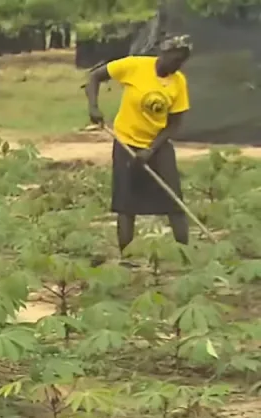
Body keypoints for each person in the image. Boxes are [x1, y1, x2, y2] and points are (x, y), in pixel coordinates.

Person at [86, 35, 193, 261]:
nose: (176, 66)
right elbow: (95, 76)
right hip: (126, 141)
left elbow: (174, 123)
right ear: (163, 53)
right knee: (126, 203)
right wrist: (94, 107)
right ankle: (127, 258)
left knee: (174, 200)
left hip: (157, 144)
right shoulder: (135, 65)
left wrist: (151, 150)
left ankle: (185, 256)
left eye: (181, 62)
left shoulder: (178, 82)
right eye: (174, 59)